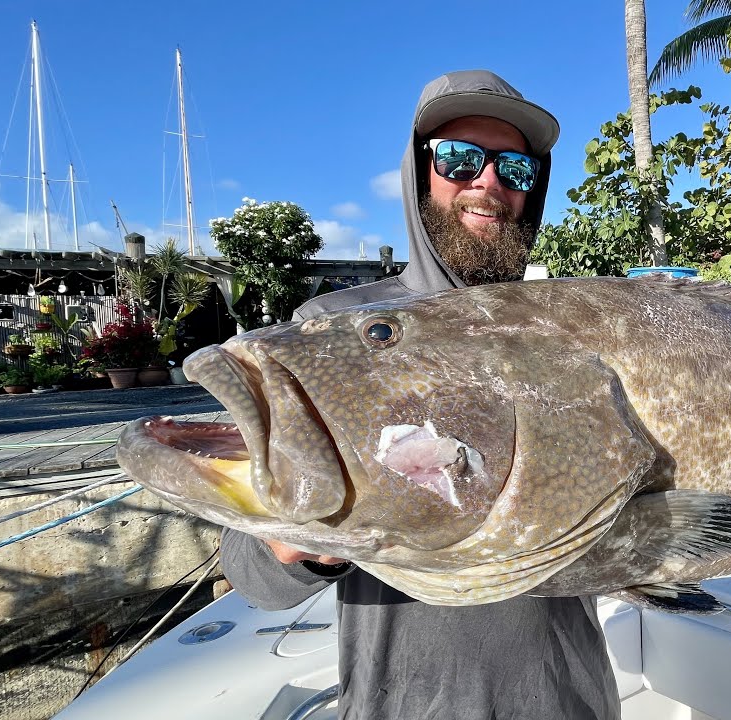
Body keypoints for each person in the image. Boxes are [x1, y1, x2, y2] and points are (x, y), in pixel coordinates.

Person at [219, 70, 620, 720]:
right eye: (460, 159)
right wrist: (304, 535)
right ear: (418, 172)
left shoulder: (572, 327)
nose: (488, 183)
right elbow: (253, 576)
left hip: (571, 703)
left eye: (515, 168)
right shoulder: (331, 328)